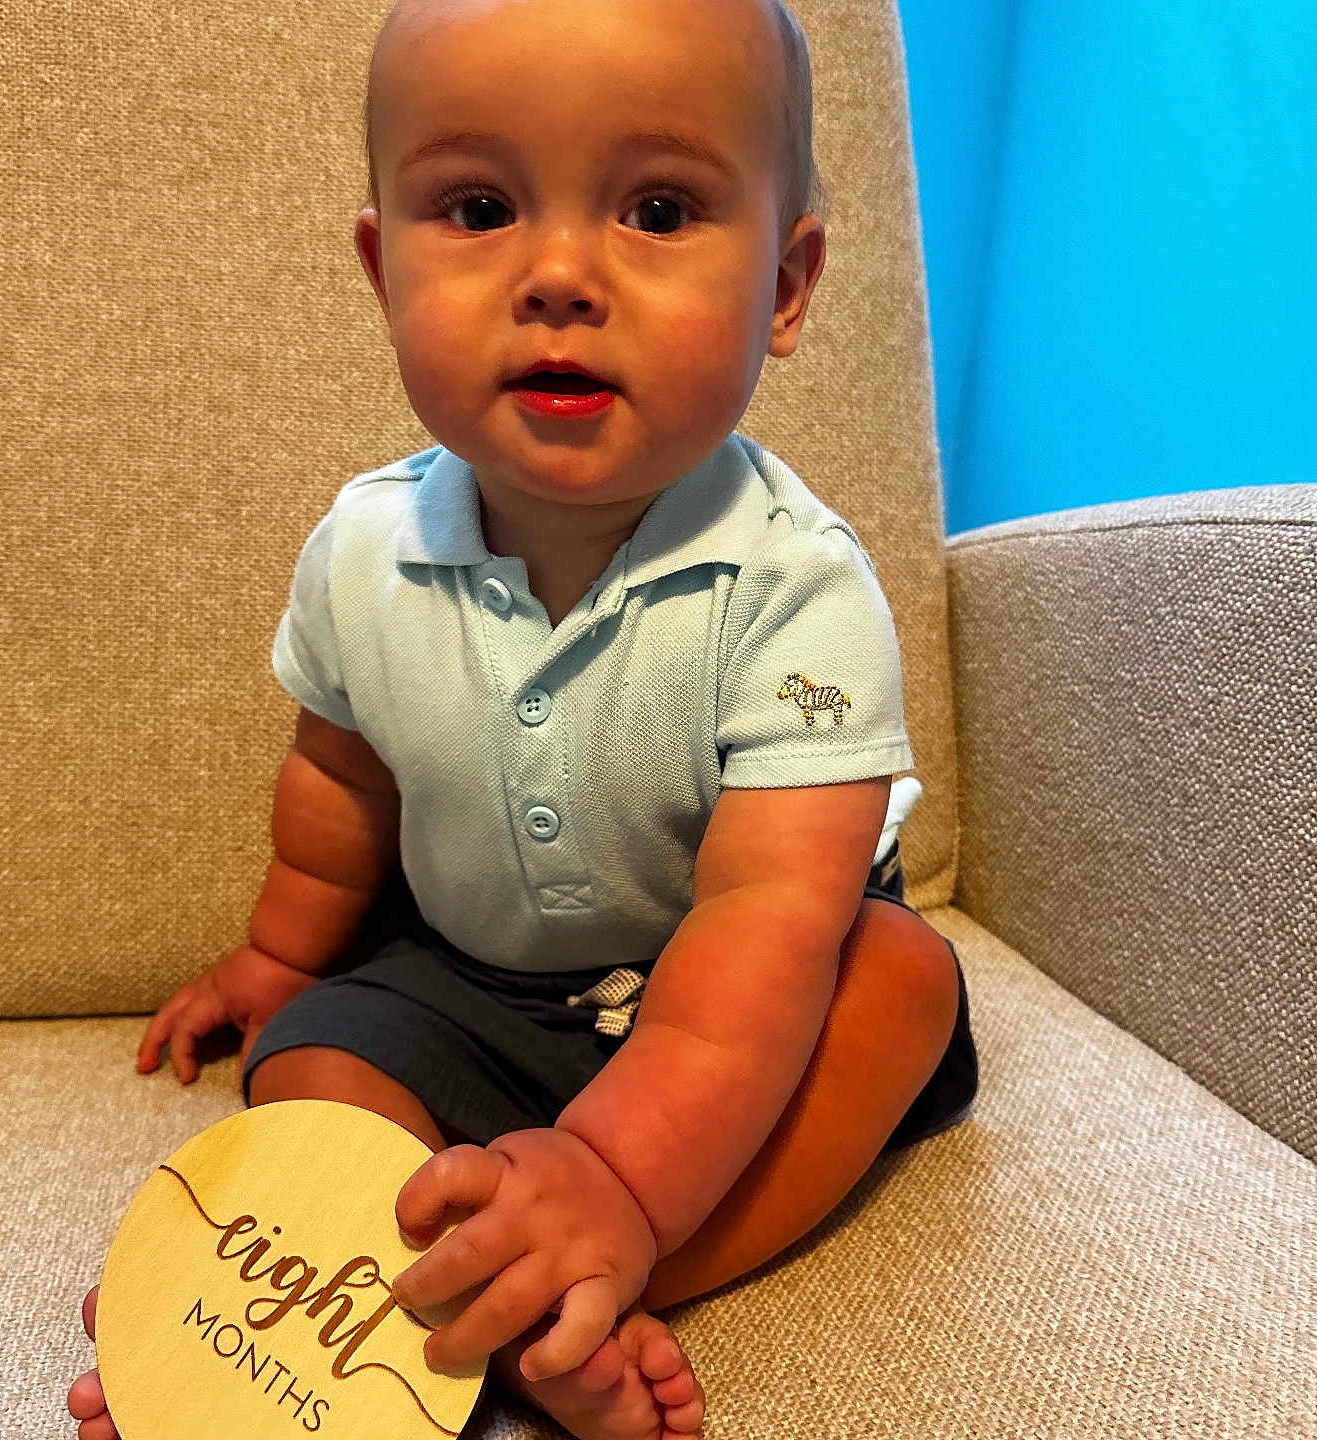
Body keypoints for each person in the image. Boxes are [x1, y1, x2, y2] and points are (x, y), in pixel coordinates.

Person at [67, 0, 979, 1435]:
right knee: (308, 1058)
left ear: (787, 289)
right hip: (478, 981)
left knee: (897, 984)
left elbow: (766, 924)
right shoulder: (364, 550)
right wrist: (272, 951)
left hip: (750, 996)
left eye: (659, 209)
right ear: (382, 271)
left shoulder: (798, 587)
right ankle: (334, 1311)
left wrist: (615, 1178)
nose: (558, 276)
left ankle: (584, 1279)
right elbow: (341, 778)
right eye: (480, 208)